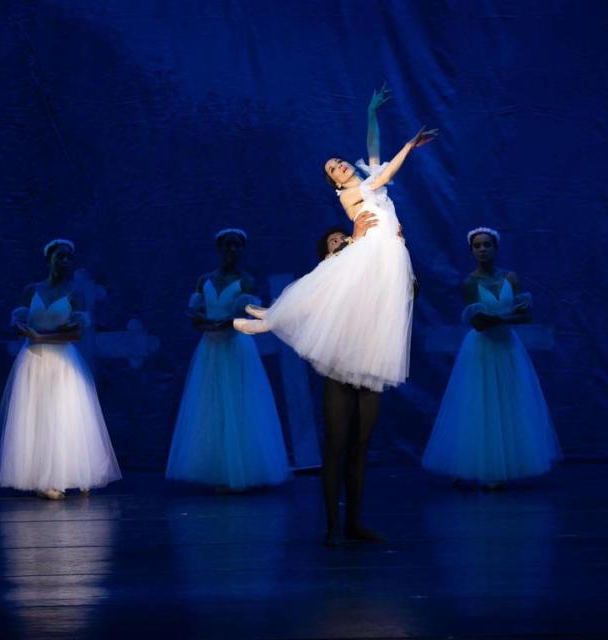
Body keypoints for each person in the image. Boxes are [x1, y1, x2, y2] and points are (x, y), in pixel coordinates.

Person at [235, 84, 436, 393]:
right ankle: (270, 320)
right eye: (333, 170)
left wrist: (370, 113)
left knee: (350, 303)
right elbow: (383, 176)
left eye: (338, 161)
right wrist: (409, 145)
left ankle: (273, 315)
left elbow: (373, 146)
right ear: (336, 183)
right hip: (372, 249)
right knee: (326, 291)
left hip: (391, 251)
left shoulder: (368, 182)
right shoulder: (354, 193)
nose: (339, 166)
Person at [422, 228, 560, 488]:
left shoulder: (511, 278)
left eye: (486, 245)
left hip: (508, 347)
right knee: (479, 406)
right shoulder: (470, 283)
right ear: (472, 251)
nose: (482, 249)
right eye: (477, 246)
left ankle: (501, 465)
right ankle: (471, 465)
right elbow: (479, 324)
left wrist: (500, 318)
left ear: (495, 248)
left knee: (508, 404)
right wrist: (507, 317)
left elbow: (526, 316)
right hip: (482, 350)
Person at [0, 239, 121, 499]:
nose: (64, 262)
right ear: (48, 258)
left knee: (62, 417)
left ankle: (69, 473)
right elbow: (18, 324)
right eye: (59, 257)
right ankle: (43, 478)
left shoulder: (75, 294)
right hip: (33, 361)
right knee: (37, 418)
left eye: (68, 258)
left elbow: (74, 335)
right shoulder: (31, 290)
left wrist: (39, 337)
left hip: (63, 362)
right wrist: (26, 333)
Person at [166, 229, 291, 490]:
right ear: (220, 248)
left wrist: (224, 324)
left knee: (238, 404)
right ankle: (214, 470)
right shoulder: (205, 280)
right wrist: (204, 323)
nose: (233, 250)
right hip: (210, 347)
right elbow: (194, 312)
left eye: (237, 246)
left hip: (235, 346)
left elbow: (246, 315)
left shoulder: (246, 281)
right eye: (228, 245)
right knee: (211, 403)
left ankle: (241, 470)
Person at [315, 215, 390, 545]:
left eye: (342, 237)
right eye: (333, 241)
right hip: (338, 365)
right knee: (336, 445)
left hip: (369, 364)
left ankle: (354, 522)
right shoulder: (324, 277)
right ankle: (333, 525)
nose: (340, 242)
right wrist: (352, 241)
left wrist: (397, 246)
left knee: (360, 448)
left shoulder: (372, 276)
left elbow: (408, 291)